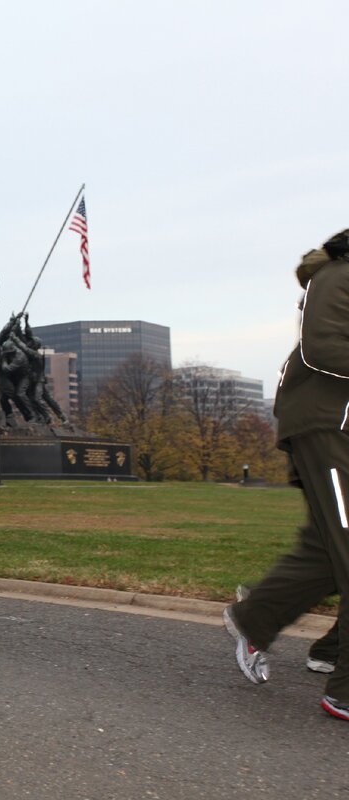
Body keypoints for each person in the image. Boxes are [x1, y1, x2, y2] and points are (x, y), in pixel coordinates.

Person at [223, 232, 349, 721]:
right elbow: (321, 348)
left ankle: (254, 617)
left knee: (326, 549)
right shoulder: (337, 276)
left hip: (337, 430)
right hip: (330, 428)